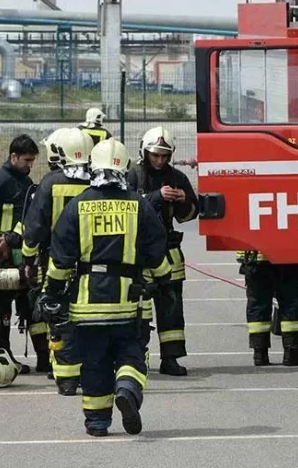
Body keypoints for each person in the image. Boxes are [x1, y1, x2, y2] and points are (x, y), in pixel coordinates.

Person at [39, 137, 172, 437]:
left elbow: (61, 259)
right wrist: (164, 282)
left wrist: (51, 292)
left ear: (92, 167)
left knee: (95, 363)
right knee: (131, 353)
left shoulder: (77, 206)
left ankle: (98, 422)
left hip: (86, 304)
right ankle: (126, 389)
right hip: (127, 302)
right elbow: (155, 251)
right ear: (124, 168)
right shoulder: (138, 205)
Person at [22, 127, 93, 395]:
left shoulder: (50, 183)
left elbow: (35, 227)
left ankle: (63, 374)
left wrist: (28, 259)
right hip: (92, 263)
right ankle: (90, 368)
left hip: (55, 262)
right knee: (88, 317)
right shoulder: (99, 180)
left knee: (58, 317)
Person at [0, 134, 48, 374]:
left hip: (21, 257)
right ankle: (3, 360)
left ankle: (43, 358)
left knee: (31, 308)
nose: (30, 165)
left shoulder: (24, 183)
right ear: (13, 156)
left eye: (33, 160)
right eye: (26, 160)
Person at [127, 127, 197, 377]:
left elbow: (190, 214)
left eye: (164, 155)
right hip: (140, 254)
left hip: (169, 253)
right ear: (144, 152)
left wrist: (183, 200)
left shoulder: (177, 177)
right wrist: (156, 196)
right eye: (155, 155)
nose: (160, 160)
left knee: (171, 309)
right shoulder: (132, 175)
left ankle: (171, 358)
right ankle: (138, 358)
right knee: (139, 310)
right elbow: (128, 206)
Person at [236, 251, 298, 367]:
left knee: (258, 304)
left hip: (254, 258)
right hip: (285, 257)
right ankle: (291, 352)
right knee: (290, 301)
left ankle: (260, 353)